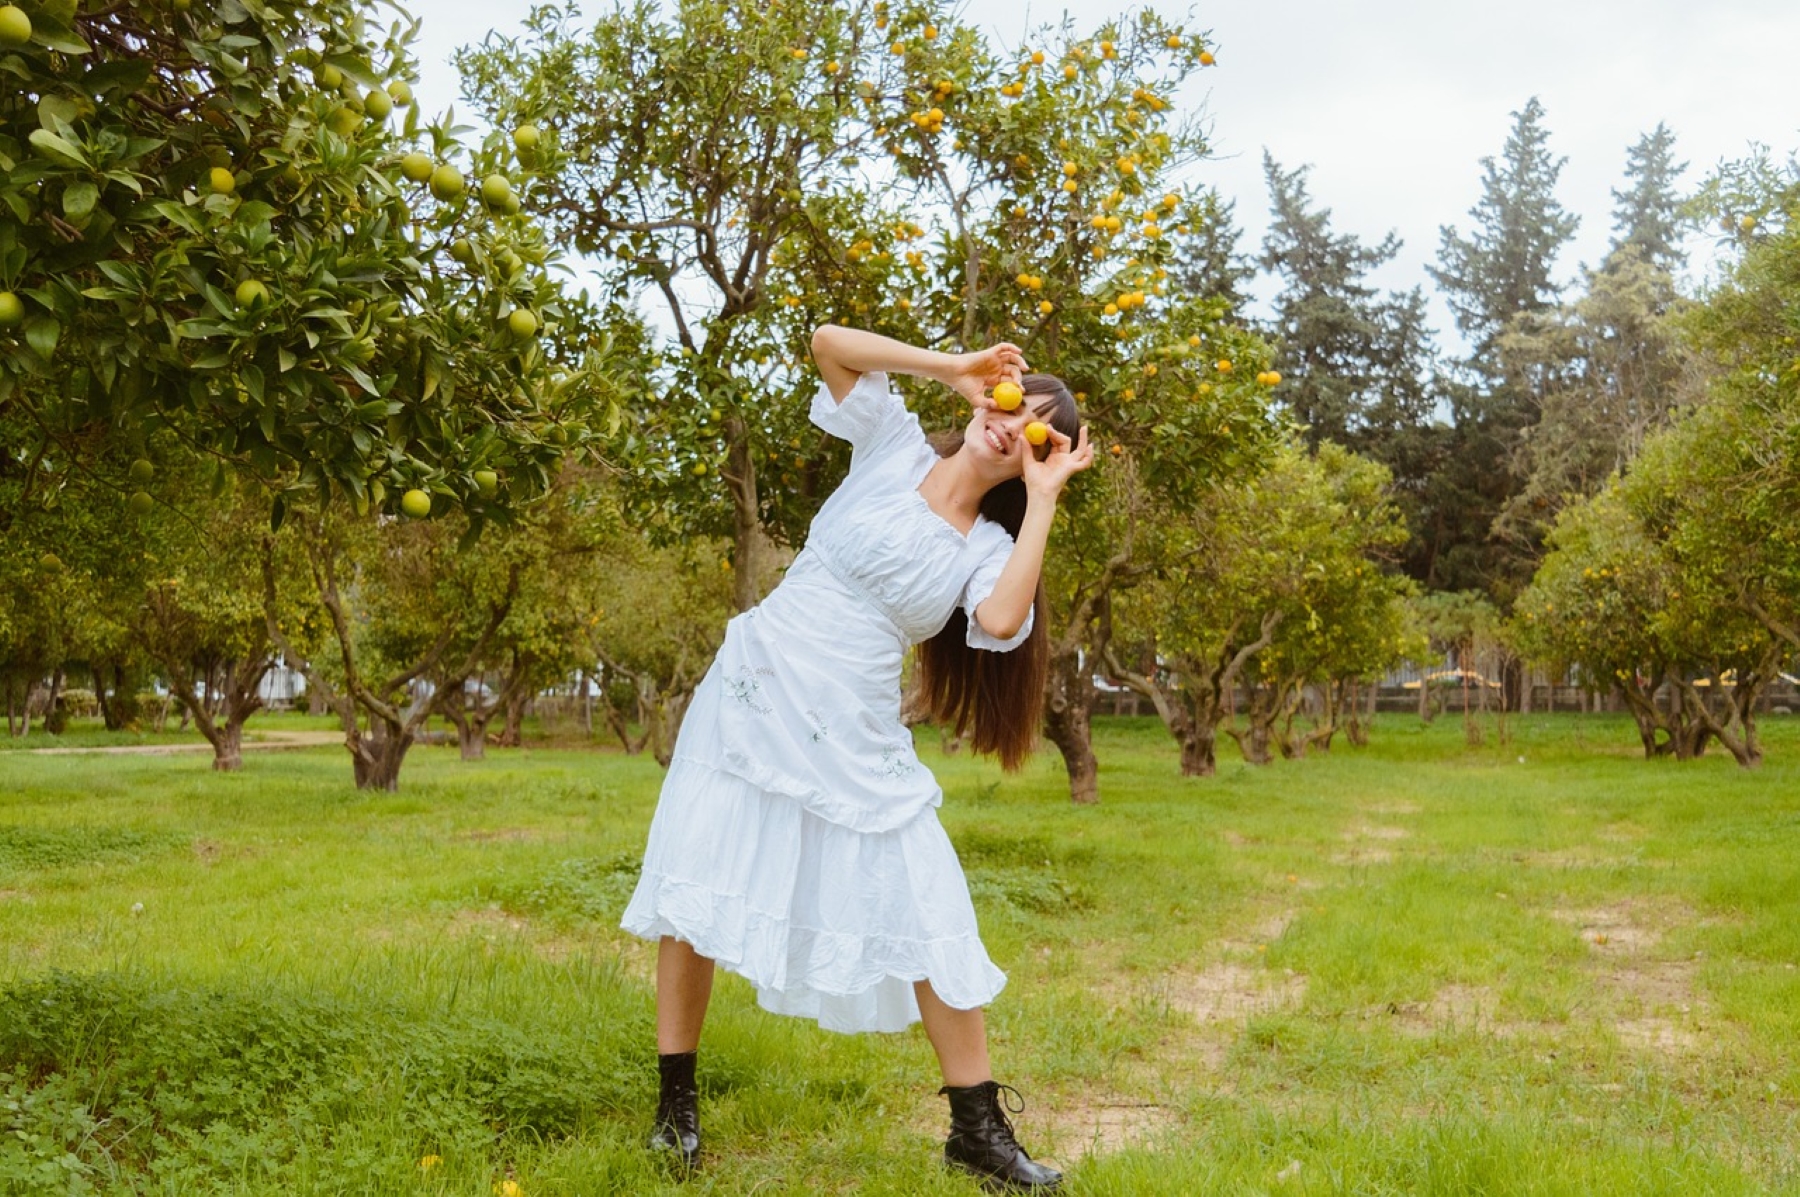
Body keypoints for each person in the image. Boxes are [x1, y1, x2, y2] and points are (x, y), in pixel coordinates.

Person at [620, 325, 1093, 1190]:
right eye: (1022, 403)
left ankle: (977, 1131)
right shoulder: (891, 442)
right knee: (698, 886)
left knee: (928, 900)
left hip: (855, 728)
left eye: (1044, 433)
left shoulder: (988, 545)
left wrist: (1047, 496)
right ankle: (674, 1113)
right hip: (757, 689)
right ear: (994, 396)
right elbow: (826, 341)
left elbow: (997, 623)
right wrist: (954, 367)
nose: (1020, 425)